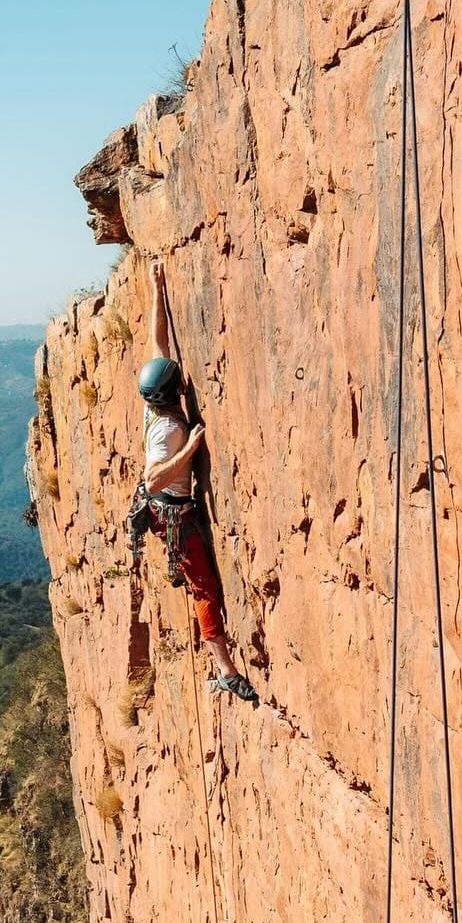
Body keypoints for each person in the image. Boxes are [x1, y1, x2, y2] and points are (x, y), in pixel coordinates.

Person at [125, 259, 259, 702]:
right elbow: (153, 473)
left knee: (201, 583)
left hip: (165, 508)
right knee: (204, 588)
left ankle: (221, 664)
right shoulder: (168, 429)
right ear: (172, 392)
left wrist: (156, 291)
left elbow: (156, 342)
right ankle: (225, 668)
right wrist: (190, 450)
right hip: (173, 513)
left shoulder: (152, 406)